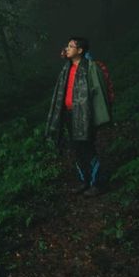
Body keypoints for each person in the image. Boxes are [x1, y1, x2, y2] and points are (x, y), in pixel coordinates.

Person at [44, 37, 112, 197]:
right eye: (66, 46)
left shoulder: (89, 67)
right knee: (76, 149)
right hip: (68, 114)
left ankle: (98, 183)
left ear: (80, 50)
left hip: (85, 115)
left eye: (71, 46)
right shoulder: (67, 68)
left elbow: (98, 92)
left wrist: (98, 116)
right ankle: (84, 181)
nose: (67, 48)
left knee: (87, 148)